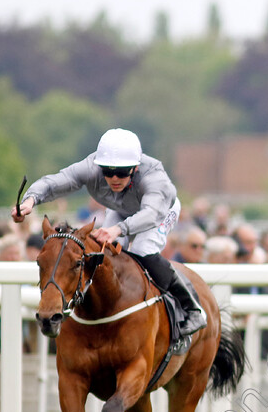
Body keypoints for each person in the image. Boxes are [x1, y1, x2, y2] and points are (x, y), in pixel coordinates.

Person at [11, 128, 206, 336]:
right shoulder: (90, 167)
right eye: (107, 171)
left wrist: (117, 229)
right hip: (121, 209)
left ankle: (193, 309)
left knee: (141, 250)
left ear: (136, 167)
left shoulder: (153, 177)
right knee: (105, 255)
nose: (114, 178)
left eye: (121, 172)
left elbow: (151, 213)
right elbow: (54, 182)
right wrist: (29, 201)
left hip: (159, 211)